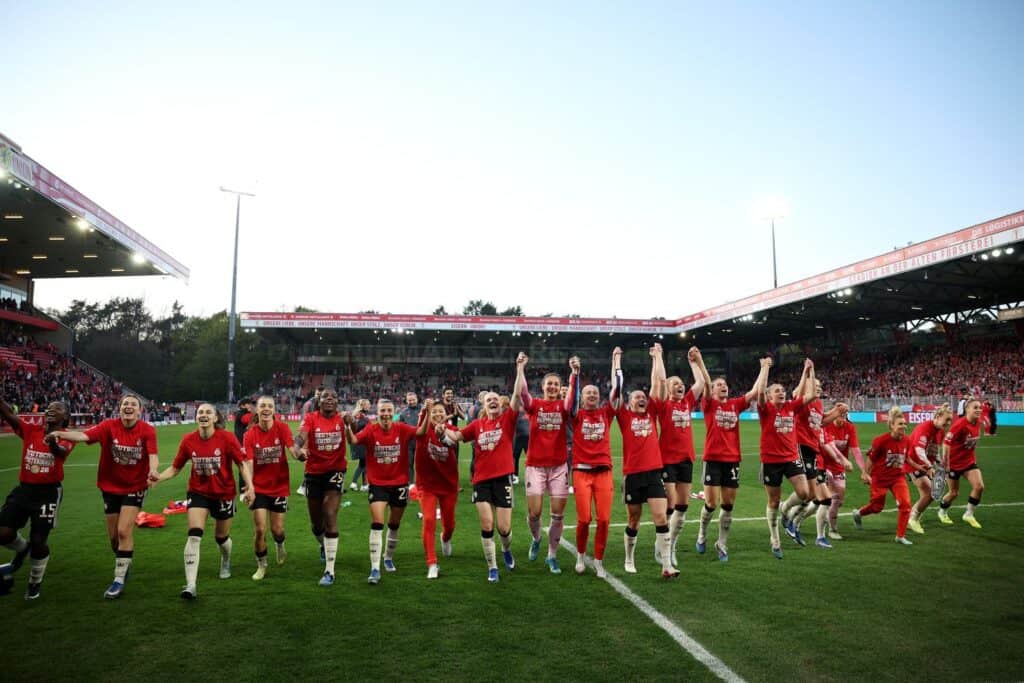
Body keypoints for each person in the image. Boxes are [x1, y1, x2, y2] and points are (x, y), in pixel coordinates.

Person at [48, 393, 159, 599]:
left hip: (135, 486)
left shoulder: (147, 430)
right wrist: (59, 434)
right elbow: (83, 436)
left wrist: (153, 472)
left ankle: (118, 579)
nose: (129, 406)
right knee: (114, 540)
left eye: (133, 404)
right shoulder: (108, 426)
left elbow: (153, 456)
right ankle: (124, 562)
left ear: (140, 411)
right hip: (109, 486)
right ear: (119, 408)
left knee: (125, 531)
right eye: (125, 403)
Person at [155, 403, 255, 599]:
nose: (203, 415)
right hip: (198, 492)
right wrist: (158, 477)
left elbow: (241, 464)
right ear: (196, 417)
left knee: (221, 538)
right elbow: (176, 468)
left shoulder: (226, 438)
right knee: (194, 535)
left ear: (216, 418)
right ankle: (191, 584)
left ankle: (225, 559)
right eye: (200, 412)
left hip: (224, 493)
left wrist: (250, 486)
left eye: (208, 412)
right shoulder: (188, 440)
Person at [612, 344, 678, 578]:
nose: (641, 398)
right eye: (636, 397)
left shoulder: (651, 412)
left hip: (653, 473)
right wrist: (616, 361)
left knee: (661, 517)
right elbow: (616, 389)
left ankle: (667, 564)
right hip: (633, 474)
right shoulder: (623, 415)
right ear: (629, 403)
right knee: (634, 518)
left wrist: (657, 356)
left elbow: (658, 382)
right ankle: (629, 558)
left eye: (643, 396)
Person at [0, 398, 74, 599]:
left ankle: (34, 582)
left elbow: (61, 452)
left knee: (39, 540)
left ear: (65, 416)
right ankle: (22, 549)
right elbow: (8, 414)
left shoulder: (67, 436)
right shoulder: (31, 430)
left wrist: (52, 443)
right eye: (49, 407)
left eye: (57, 408)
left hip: (48, 494)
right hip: (24, 490)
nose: (51, 409)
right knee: (3, 533)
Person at [697, 357, 769, 562]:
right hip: (712, 459)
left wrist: (763, 368)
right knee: (711, 503)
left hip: (732, 460)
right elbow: (705, 379)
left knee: (728, 504)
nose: (723, 387)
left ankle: (722, 544)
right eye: (718, 385)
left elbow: (755, 393)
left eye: (725, 385)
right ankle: (702, 533)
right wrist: (701, 360)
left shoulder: (735, 405)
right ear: (711, 389)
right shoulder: (708, 404)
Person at [442, 390, 517, 583]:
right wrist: (441, 426)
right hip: (481, 480)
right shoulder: (477, 425)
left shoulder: (507, 420)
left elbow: (517, 395)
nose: (492, 401)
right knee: (487, 525)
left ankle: (506, 549)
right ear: (483, 405)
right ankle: (492, 567)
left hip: (502, 479)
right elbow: (457, 436)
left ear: (500, 403)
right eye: (488, 400)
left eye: (495, 399)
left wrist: (520, 370)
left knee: (504, 528)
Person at [512, 352, 577, 574]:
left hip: (559, 466)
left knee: (558, 514)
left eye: (556, 384)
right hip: (535, 466)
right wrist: (520, 368)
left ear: (560, 388)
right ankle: (537, 537)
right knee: (535, 513)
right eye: (549, 383)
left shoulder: (564, 407)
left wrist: (574, 374)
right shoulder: (535, 405)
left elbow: (571, 399)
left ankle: (552, 555)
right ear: (543, 386)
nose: (552, 387)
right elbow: (522, 392)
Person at [346, 399, 418, 585]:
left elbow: (421, 432)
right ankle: (375, 568)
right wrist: (348, 426)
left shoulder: (401, 428)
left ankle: (388, 557)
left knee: (394, 523)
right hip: (377, 484)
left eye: (388, 410)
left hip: (399, 484)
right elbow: (353, 440)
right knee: (378, 523)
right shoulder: (371, 430)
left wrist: (427, 411)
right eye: (382, 410)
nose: (385, 413)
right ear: (377, 413)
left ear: (393, 412)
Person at [651, 346, 706, 567]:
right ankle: (662, 546)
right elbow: (661, 381)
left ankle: (671, 544)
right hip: (667, 458)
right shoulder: (664, 405)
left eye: (681, 384)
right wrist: (659, 357)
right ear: (669, 388)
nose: (680, 386)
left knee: (683, 505)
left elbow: (701, 383)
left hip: (686, 458)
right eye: (676, 384)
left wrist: (694, 362)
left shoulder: (687, 402)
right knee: (671, 504)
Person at [756, 358, 814, 558]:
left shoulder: (791, 407)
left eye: (783, 390)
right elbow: (760, 391)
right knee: (773, 500)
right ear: (769, 396)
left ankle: (786, 510)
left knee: (804, 492)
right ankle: (775, 539)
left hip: (790, 457)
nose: (781, 392)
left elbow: (811, 394)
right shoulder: (765, 409)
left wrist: (807, 371)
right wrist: (765, 368)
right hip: (771, 460)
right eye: (777, 391)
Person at [781, 374, 847, 547]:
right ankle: (788, 514)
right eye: (814, 385)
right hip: (801, 448)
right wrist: (807, 371)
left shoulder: (818, 404)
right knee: (812, 494)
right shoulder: (803, 401)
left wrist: (837, 412)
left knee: (820, 497)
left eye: (819, 386)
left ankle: (795, 522)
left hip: (814, 452)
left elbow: (822, 421)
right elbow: (797, 392)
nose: (818, 387)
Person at [567, 358, 616, 578]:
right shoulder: (576, 417)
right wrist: (575, 374)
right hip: (581, 471)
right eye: (588, 393)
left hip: (604, 472)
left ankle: (598, 561)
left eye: (595, 393)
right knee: (584, 518)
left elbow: (617, 390)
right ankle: (580, 555)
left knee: (604, 519)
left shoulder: (606, 413)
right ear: (583, 397)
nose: (592, 396)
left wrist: (616, 361)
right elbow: (570, 401)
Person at [294, 388, 347, 586]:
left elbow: (356, 430)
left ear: (338, 401)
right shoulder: (310, 418)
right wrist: (298, 448)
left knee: (330, 513)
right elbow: (301, 436)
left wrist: (352, 421)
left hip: (335, 472)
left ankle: (329, 571)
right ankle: (324, 546)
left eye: (333, 397)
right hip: (314, 474)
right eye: (325, 397)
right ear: (319, 400)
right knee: (317, 524)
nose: (329, 400)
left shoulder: (342, 419)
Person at [242, 396, 297, 580]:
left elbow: (291, 449)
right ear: (257, 410)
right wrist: (250, 487)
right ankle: (261, 565)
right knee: (260, 529)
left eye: (269, 406)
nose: (266, 409)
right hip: (259, 488)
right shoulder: (249, 434)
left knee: (277, 530)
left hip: (279, 486)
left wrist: (299, 454)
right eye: (262, 406)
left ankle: (280, 544)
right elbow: (248, 462)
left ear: (274, 410)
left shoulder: (282, 428)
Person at [852, 407, 914, 545]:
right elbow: (871, 459)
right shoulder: (880, 441)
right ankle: (858, 513)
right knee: (877, 507)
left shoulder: (907, 440)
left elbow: (906, 458)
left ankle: (900, 536)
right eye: (900, 424)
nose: (904, 426)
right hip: (880, 478)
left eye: (904, 423)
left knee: (905, 504)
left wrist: (920, 468)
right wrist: (865, 473)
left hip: (898, 477)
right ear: (891, 425)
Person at [413, 399, 459, 579]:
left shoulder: (451, 429)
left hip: (448, 484)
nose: (438, 415)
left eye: (441, 412)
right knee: (429, 520)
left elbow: (453, 442)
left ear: (445, 414)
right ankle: (431, 562)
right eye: (434, 412)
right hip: (427, 485)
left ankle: (445, 538)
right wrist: (426, 410)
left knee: (450, 525)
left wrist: (443, 435)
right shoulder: (423, 430)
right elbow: (421, 428)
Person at [905, 405, 953, 534]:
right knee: (931, 493)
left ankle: (911, 518)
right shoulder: (924, 428)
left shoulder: (940, 431)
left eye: (950, 420)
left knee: (927, 496)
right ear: (937, 417)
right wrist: (930, 466)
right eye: (946, 420)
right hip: (913, 463)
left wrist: (940, 463)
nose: (948, 423)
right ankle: (913, 519)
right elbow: (919, 450)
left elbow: (934, 449)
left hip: (925, 464)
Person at [937, 398, 985, 528]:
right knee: (953, 493)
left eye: (980, 407)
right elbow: (946, 443)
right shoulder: (959, 425)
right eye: (975, 407)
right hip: (953, 464)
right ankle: (942, 512)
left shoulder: (978, 423)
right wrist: (946, 463)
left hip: (969, 462)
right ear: (967, 409)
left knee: (979, 486)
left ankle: (969, 514)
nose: (978, 410)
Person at [821, 412, 863, 539]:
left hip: (839, 468)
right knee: (831, 499)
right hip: (823, 465)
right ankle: (833, 530)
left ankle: (794, 514)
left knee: (839, 501)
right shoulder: (825, 426)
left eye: (844, 416)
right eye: (840, 416)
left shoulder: (849, 427)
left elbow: (855, 449)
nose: (842, 419)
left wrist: (864, 471)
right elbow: (828, 446)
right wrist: (843, 460)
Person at [348, 398, 371, 492]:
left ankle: (365, 485)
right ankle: (353, 483)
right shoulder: (362, 416)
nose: (369, 406)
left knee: (364, 463)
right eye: (368, 404)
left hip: (357, 442)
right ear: (363, 406)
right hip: (360, 443)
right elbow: (365, 430)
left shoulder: (357, 415)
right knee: (363, 464)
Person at [398, 392, 421, 484]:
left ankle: (422, 483)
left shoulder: (424, 410)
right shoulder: (403, 413)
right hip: (409, 442)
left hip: (422, 441)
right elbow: (400, 427)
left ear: (417, 399)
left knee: (422, 464)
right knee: (409, 463)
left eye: (413, 400)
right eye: (409, 400)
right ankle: (411, 484)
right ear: (406, 401)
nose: (411, 402)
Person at [233, 398, 253, 497]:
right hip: (241, 446)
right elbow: (249, 419)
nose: (250, 406)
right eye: (248, 404)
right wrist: (258, 413)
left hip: (245, 445)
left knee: (247, 466)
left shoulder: (242, 413)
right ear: (242, 406)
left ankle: (248, 488)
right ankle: (242, 491)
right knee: (243, 467)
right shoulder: (241, 414)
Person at [512, 407, 529, 486]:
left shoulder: (529, 411)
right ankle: (515, 476)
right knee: (515, 457)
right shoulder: (515, 412)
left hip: (528, 438)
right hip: (518, 438)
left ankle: (530, 476)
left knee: (530, 459)